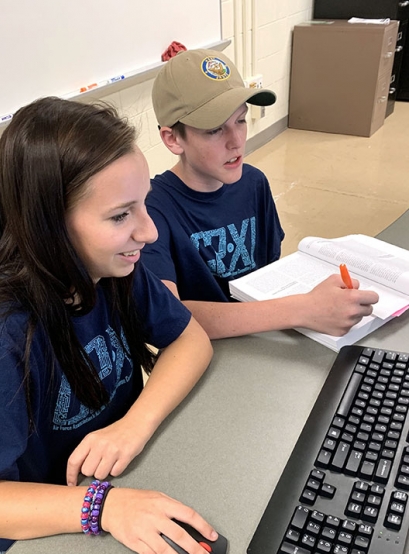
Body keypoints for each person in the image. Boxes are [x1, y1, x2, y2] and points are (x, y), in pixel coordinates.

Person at [0, 96, 217, 554]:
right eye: (120, 216)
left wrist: (133, 426)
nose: (149, 232)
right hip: (50, 528)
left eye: (144, 205)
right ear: (48, 227)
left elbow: (191, 340)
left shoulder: (115, 272)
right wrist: (101, 508)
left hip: (125, 477)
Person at [141, 48, 379, 339]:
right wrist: (303, 309)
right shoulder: (153, 209)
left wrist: (315, 305)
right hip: (207, 353)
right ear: (173, 138)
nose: (236, 141)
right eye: (215, 130)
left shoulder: (254, 183)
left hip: (266, 334)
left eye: (240, 120)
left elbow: (271, 272)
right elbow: (166, 316)